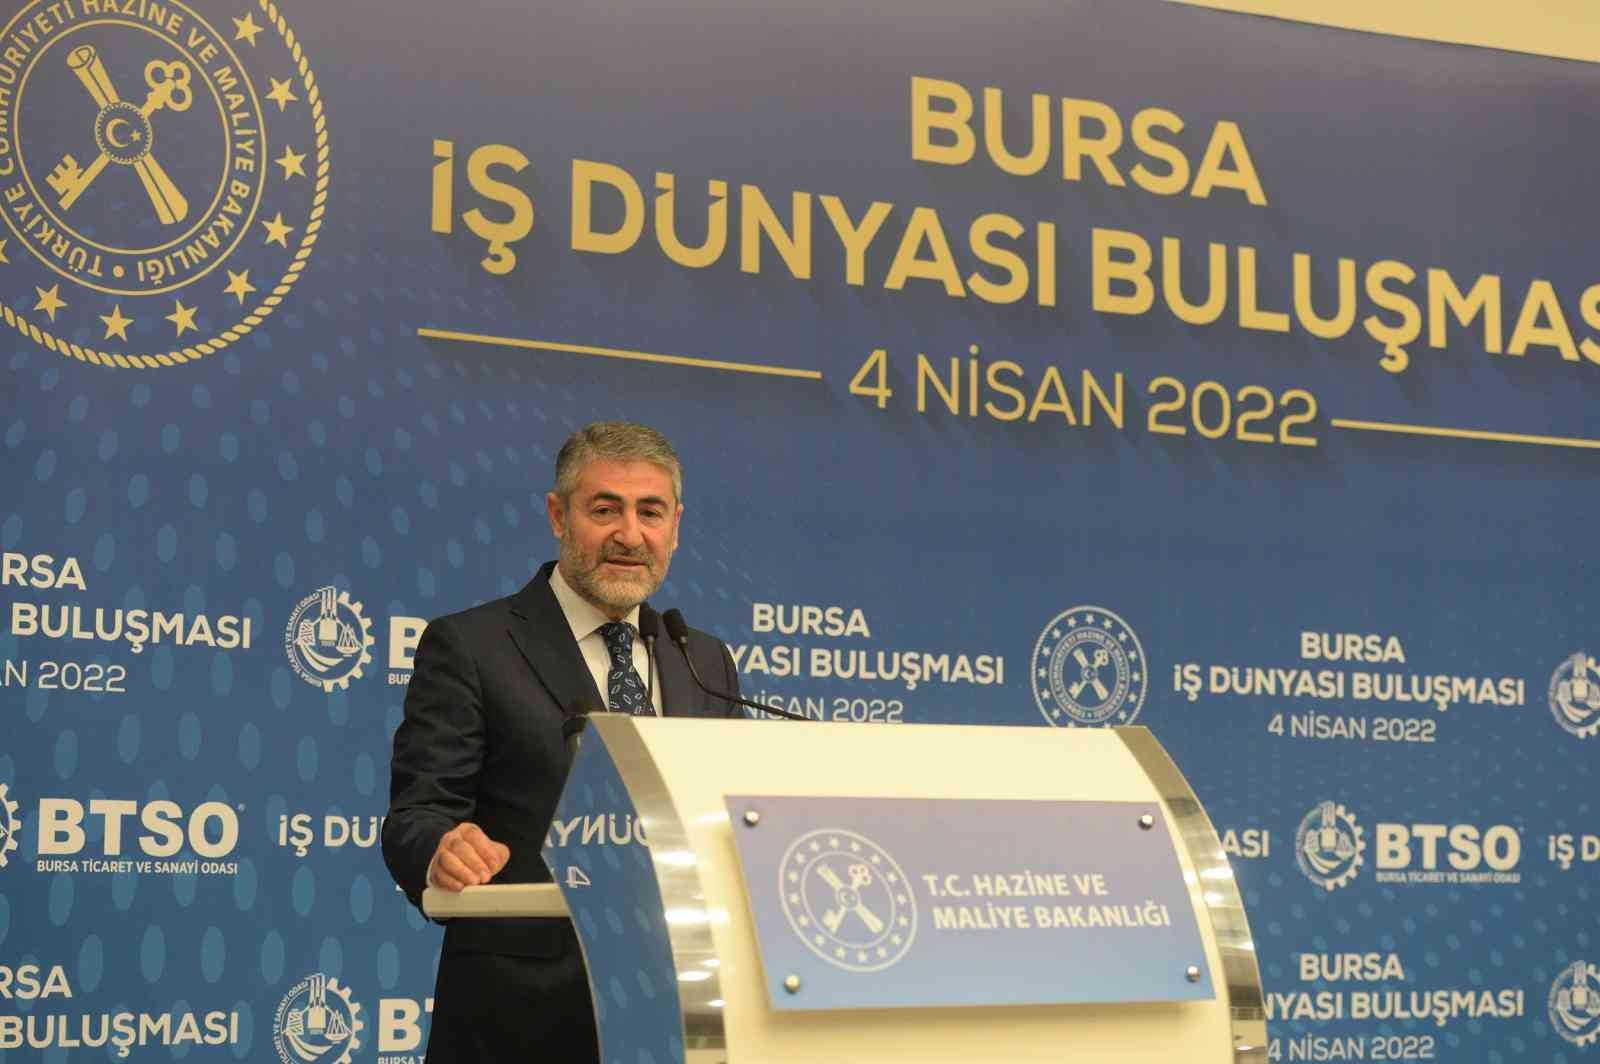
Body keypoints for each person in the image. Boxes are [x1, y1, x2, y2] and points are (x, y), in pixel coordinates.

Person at [381, 420, 743, 1063]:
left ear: (676, 526)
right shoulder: (473, 646)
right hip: (522, 1017)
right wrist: (442, 848)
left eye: (650, 512)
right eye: (605, 509)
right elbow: (418, 814)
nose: (629, 534)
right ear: (558, 515)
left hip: (680, 1011)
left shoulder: (701, 658)